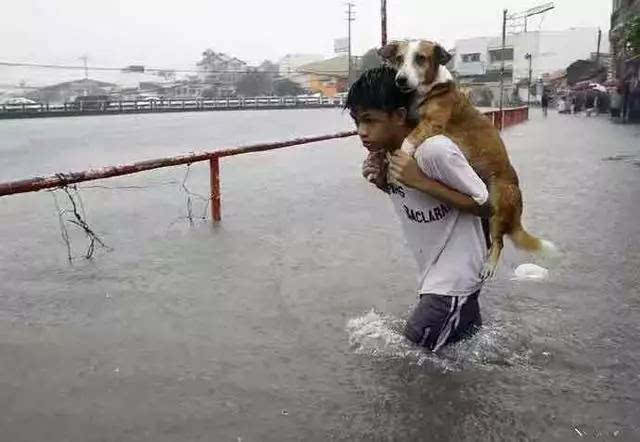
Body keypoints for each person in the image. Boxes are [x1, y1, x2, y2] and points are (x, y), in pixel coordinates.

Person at [344, 67, 491, 352]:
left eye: (369, 121)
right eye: (357, 122)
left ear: (399, 116)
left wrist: (419, 180)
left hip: (452, 281)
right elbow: (424, 206)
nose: (361, 132)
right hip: (439, 278)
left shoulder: (434, 150)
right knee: (464, 359)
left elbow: (488, 205)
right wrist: (385, 185)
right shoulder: (391, 154)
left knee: (409, 366)